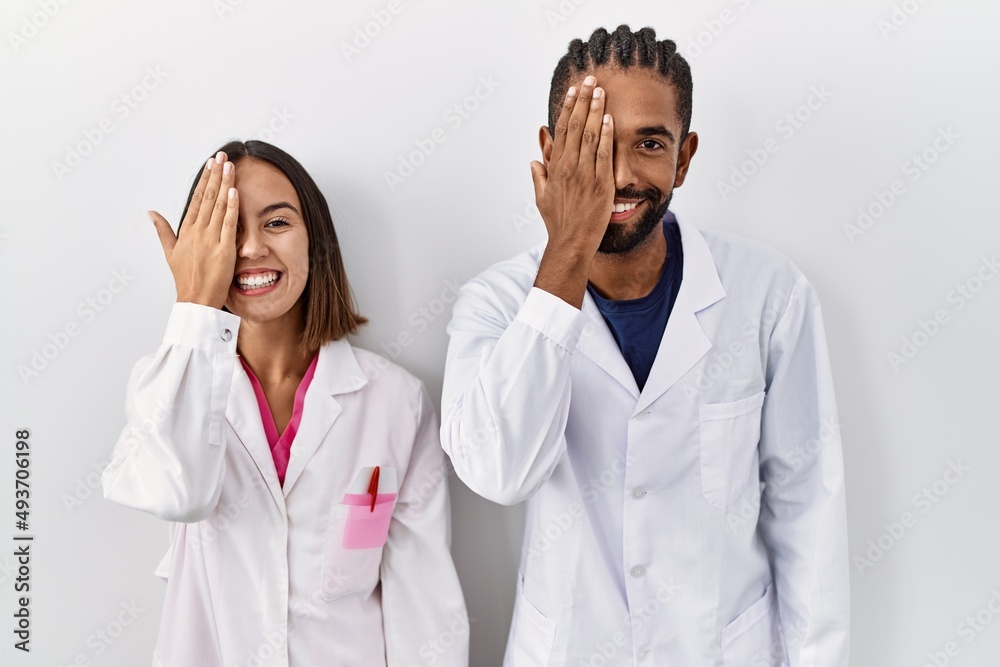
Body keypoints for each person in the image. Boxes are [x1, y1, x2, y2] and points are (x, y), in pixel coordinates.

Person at [440, 25, 849, 666]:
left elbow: (807, 506)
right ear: (551, 150)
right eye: (594, 146)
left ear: (684, 158)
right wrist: (568, 247)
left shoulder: (770, 294)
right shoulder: (495, 304)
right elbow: (500, 474)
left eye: (649, 144)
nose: (621, 177)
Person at [102, 141, 468, 667]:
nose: (250, 249)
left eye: (276, 223)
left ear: (315, 240)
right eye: (228, 229)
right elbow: (178, 494)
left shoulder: (396, 402)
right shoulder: (166, 385)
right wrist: (193, 307)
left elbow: (426, 612)